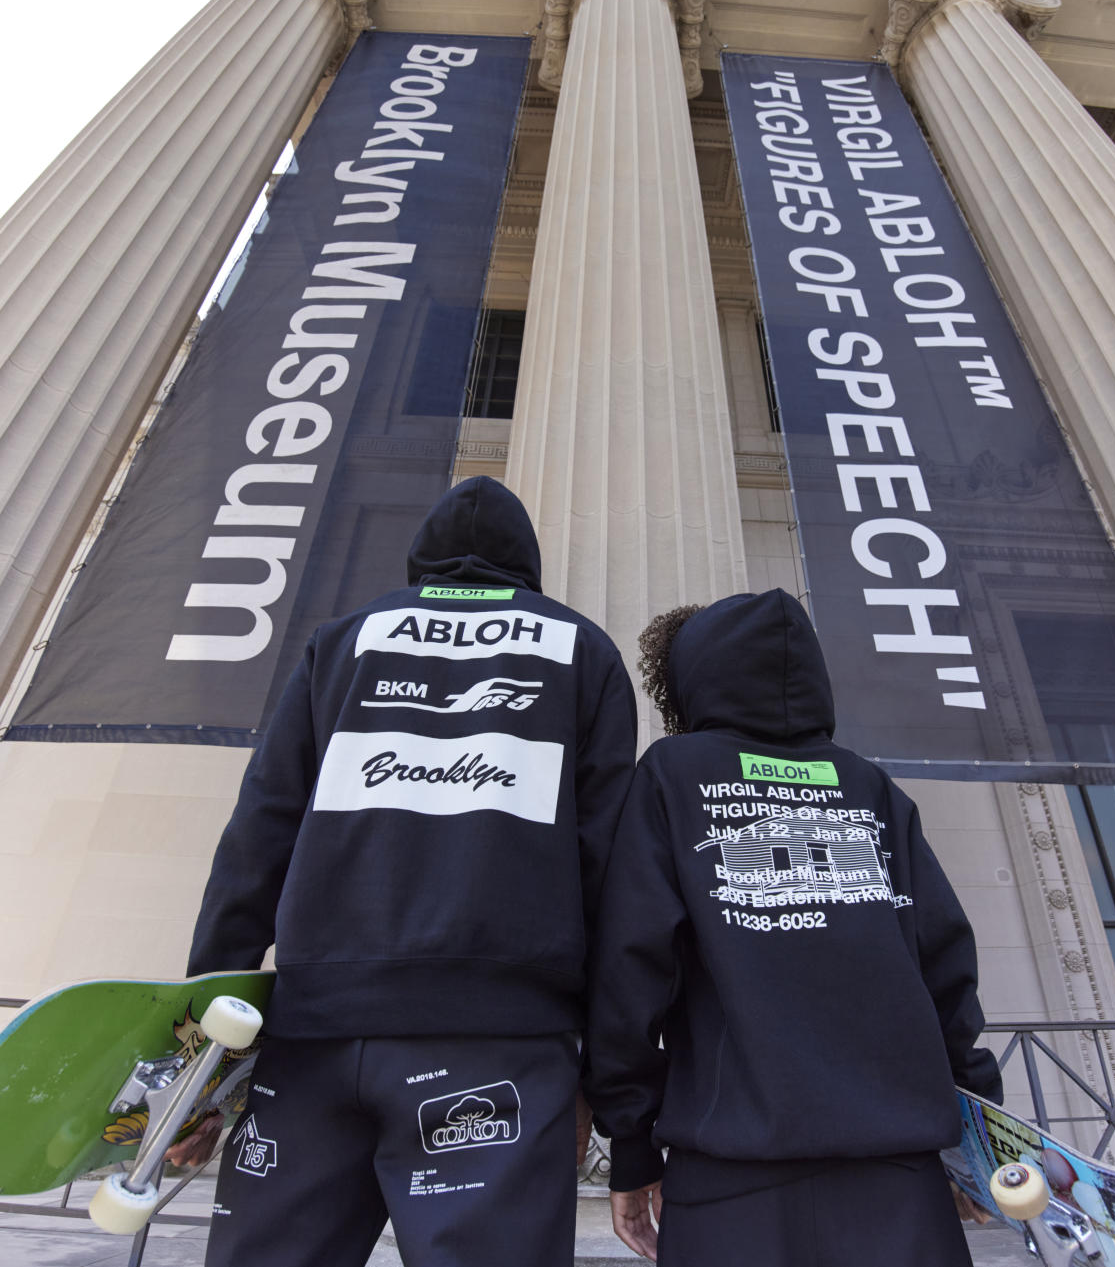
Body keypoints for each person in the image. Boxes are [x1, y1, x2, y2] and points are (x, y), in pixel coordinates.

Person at [182, 476, 637, 1267]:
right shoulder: (582, 650)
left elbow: (258, 836)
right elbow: (606, 872)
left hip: (313, 1035)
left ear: (419, 562)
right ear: (525, 568)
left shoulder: (343, 641)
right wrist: (600, 1071)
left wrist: (203, 1047)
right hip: (499, 1047)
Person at [585, 589, 1000, 1266]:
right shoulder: (869, 786)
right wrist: (977, 1129)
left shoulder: (672, 776)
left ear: (690, 680)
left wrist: (631, 1145)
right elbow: (946, 969)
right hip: (896, 1176)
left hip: (731, 1175)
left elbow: (628, 972)